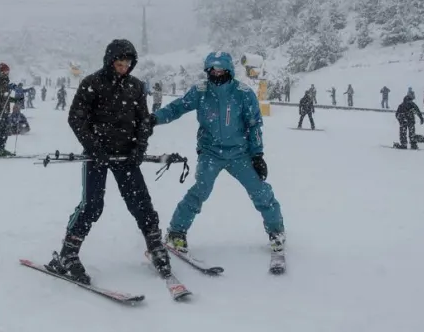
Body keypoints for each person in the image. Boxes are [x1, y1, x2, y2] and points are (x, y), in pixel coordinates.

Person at [45, 39, 171, 284]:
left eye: (127, 64)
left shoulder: (135, 87)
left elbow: (143, 122)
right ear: (110, 61)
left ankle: (156, 247)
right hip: (97, 155)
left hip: (127, 156)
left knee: (141, 203)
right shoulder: (91, 83)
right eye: (119, 63)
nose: (123, 68)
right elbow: (76, 119)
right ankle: (67, 255)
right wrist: (94, 148)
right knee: (92, 206)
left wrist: (139, 147)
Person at [151, 51, 285, 256]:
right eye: (212, 68)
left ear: (229, 69)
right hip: (210, 153)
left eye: (221, 68)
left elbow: (254, 124)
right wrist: (153, 119)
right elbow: (177, 108)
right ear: (207, 70)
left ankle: (276, 231)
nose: (217, 72)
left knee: (260, 191)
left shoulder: (243, 93)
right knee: (199, 191)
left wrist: (257, 155)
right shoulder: (201, 91)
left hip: (240, 154)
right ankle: (176, 232)